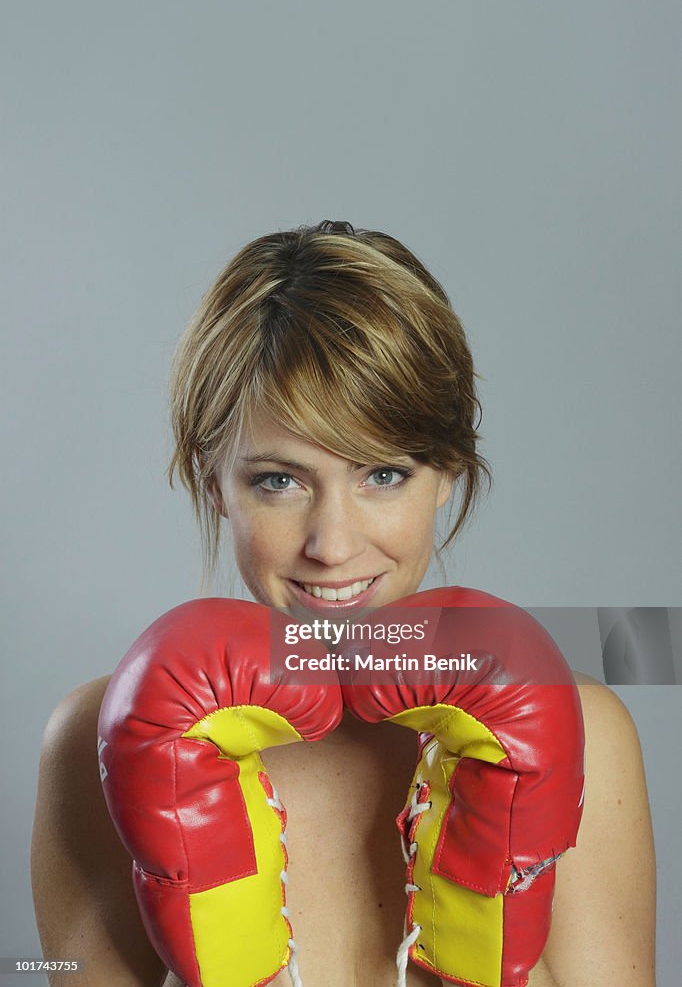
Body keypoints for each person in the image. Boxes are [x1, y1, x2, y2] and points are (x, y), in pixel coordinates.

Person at [32, 221, 656, 986]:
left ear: (450, 472)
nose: (331, 543)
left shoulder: (585, 730)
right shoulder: (95, 739)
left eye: (383, 475)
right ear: (211, 482)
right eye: (278, 480)